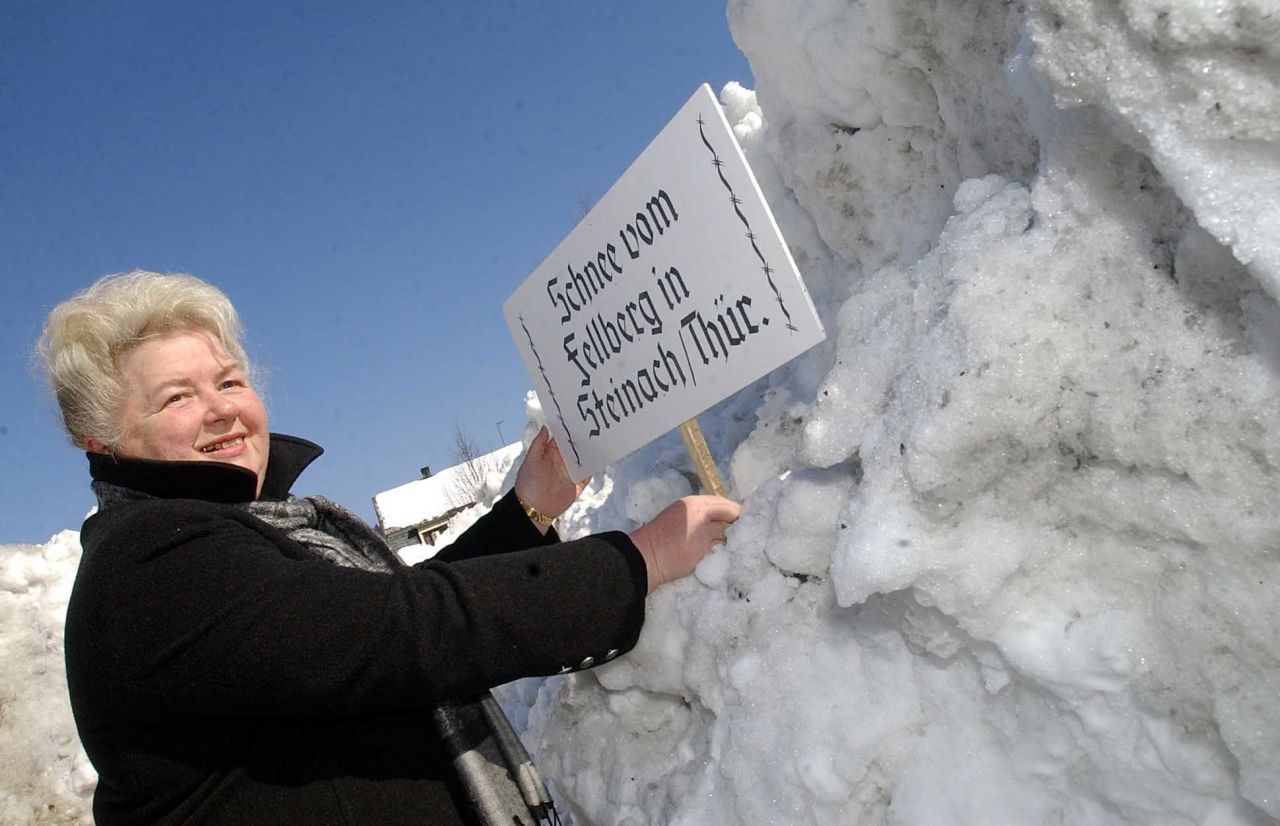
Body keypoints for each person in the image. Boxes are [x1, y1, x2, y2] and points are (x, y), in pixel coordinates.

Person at [39, 270, 740, 825]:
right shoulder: (150, 564)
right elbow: (403, 634)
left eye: (229, 381)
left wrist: (527, 511)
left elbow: (366, 641)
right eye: (175, 399)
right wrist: (636, 560)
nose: (222, 407)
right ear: (101, 441)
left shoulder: (238, 542)